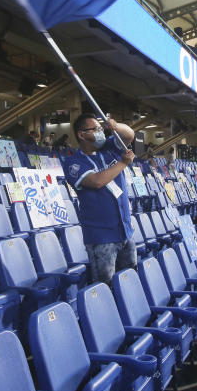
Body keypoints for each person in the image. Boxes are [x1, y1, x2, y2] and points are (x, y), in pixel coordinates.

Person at [63, 113, 137, 284]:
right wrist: (123, 164)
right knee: (106, 285)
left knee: (130, 282)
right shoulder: (73, 163)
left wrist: (115, 126)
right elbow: (97, 181)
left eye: (100, 128)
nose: (100, 132)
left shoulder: (109, 148)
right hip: (101, 237)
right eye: (95, 129)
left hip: (125, 231)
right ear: (82, 134)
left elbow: (129, 134)